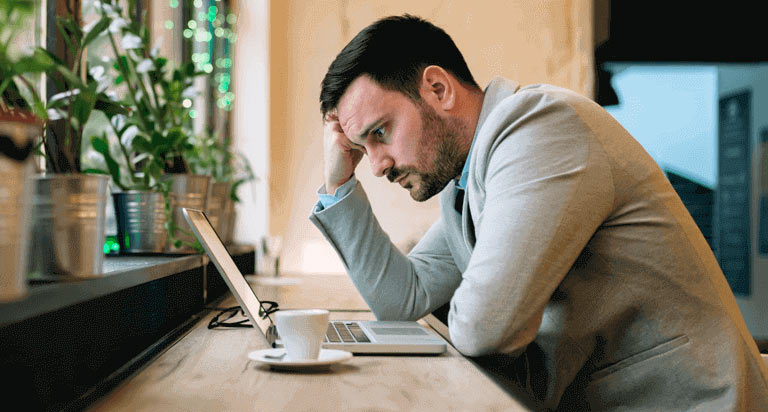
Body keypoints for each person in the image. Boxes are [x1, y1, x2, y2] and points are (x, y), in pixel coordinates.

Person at [309, 14, 768, 410]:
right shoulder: (463, 184)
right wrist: (338, 184)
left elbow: (485, 328)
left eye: (381, 133)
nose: (377, 164)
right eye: (360, 147)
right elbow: (402, 299)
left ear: (437, 88)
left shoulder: (540, 127)